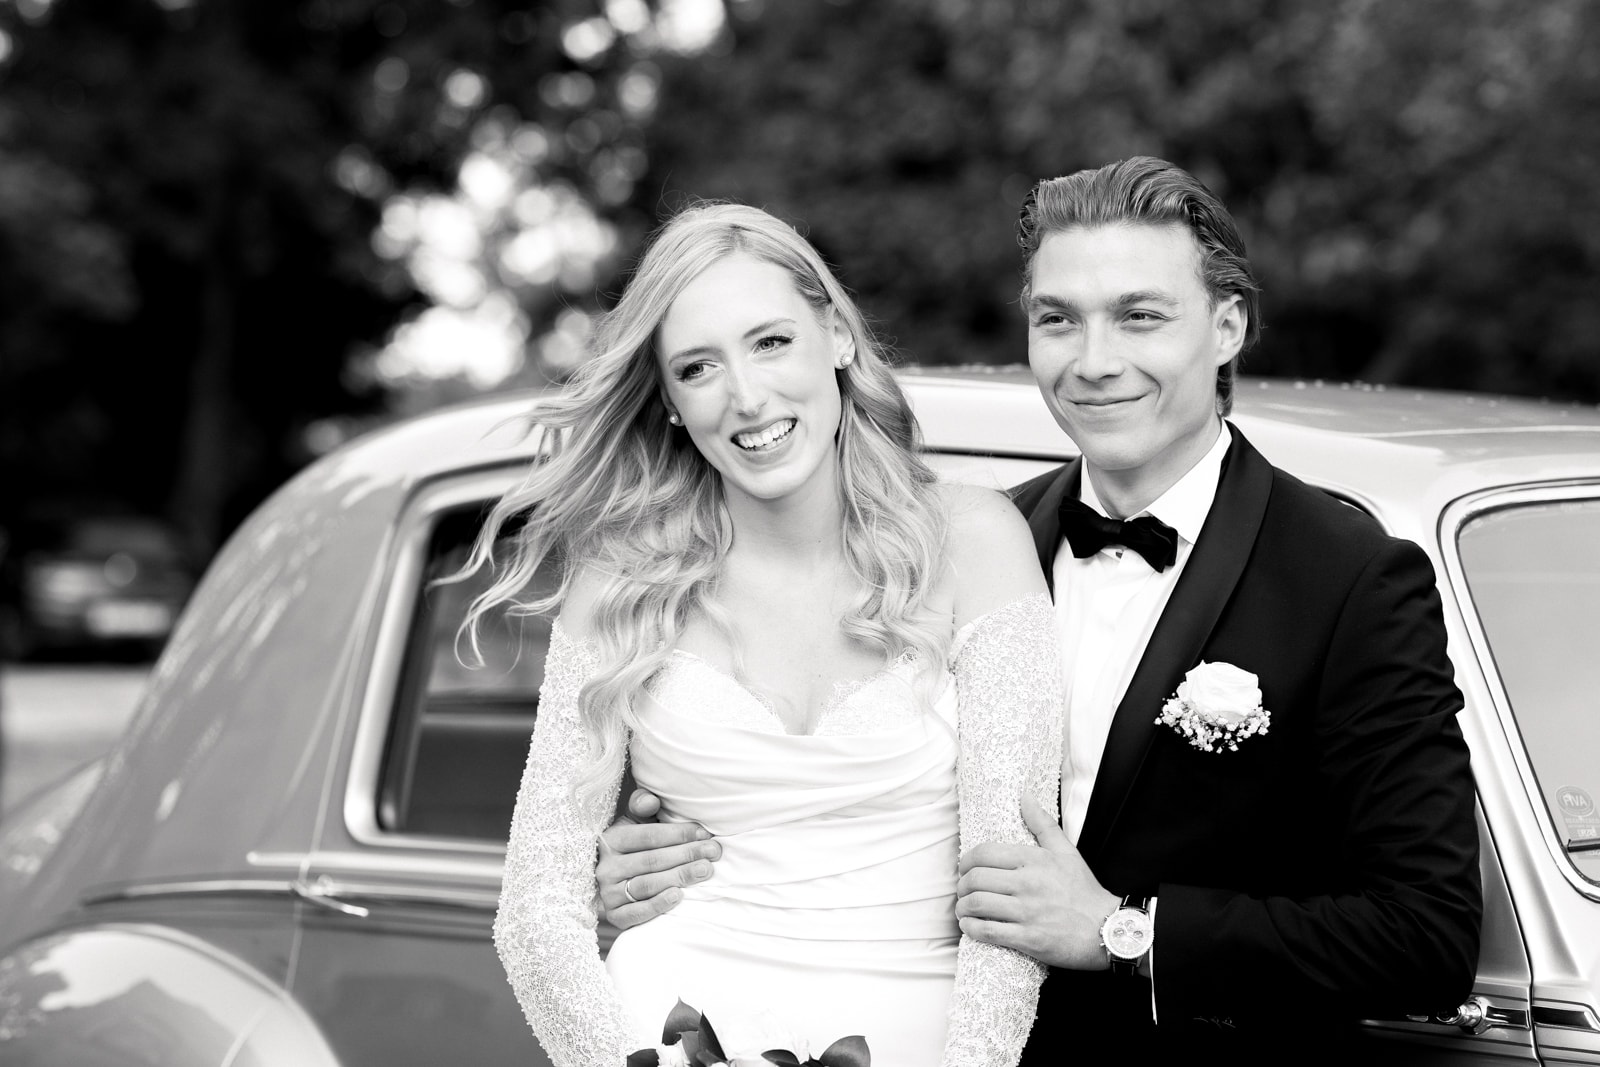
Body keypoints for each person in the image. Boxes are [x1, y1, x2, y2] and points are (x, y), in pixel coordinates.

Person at [595, 160, 1484, 1061]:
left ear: (1227, 327)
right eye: (1058, 320)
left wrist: (1124, 931)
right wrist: (647, 862)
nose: (1094, 362)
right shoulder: (955, 549)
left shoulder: (1348, 578)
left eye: (1140, 316)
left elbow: (1426, 935)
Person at [476, 202, 1062, 1067]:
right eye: (698, 367)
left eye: (772, 342)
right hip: (665, 1034)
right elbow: (535, 906)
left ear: (837, 337)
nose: (746, 396)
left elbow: (1008, 893)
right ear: (670, 402)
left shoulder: (976, 542)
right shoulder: (621, 576)